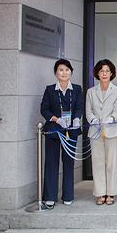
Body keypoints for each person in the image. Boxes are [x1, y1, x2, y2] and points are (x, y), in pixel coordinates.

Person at [40, 59, 83, 209]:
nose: (64, 72)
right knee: (51, 163)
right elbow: (44, 109)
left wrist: (77, 118)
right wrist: (56, 119)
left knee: (69, 163)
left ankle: (68, 195)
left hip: (71, 131)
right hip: (53, 130)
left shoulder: (77, 89)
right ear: (56, 73)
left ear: (71, 71)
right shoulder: (50, 89)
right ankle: (50, 196)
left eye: (66, 69)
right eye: (60, 70)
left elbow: (79, 107)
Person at [86, 59, 117, 205]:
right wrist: (93, 120)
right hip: (95, 131)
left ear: (112, 73)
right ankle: (100, 193)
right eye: (101, 71)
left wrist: (111, 118)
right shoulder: (91, 91)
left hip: (113, 130)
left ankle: (111, 193)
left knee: (112, 163)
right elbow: (88, 111)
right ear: (97, 73)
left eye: (107, 71)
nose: (104, 73)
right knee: (98, 163)